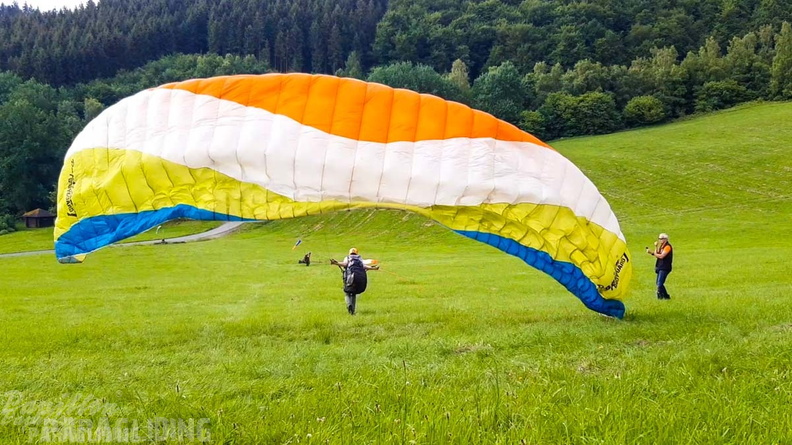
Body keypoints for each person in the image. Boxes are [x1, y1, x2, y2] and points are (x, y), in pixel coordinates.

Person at [330, 248, 379, 315]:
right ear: (357, 253)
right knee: (354, 293)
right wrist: (374, 268)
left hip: (350, 279)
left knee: (347, 292)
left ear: (349, 253)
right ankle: (352, 311)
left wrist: (336, 263)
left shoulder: (347, 258)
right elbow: (364, 266)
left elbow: (345, 264)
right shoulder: (359, 259)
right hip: (359, 279)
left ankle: (349, 305)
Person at [646, 233, 673, 299]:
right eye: (659, 239)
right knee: (658, 283)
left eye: (662, 239)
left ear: (666, 239)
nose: (660, 240)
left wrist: (652, 253)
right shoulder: (662, 246)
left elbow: (661, 256)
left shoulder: (667, 247)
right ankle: (664, 296)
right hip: (660, 266)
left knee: (660, 283)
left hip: (665, 267)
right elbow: (657, 253)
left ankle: (663, 296)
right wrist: (656, 246)